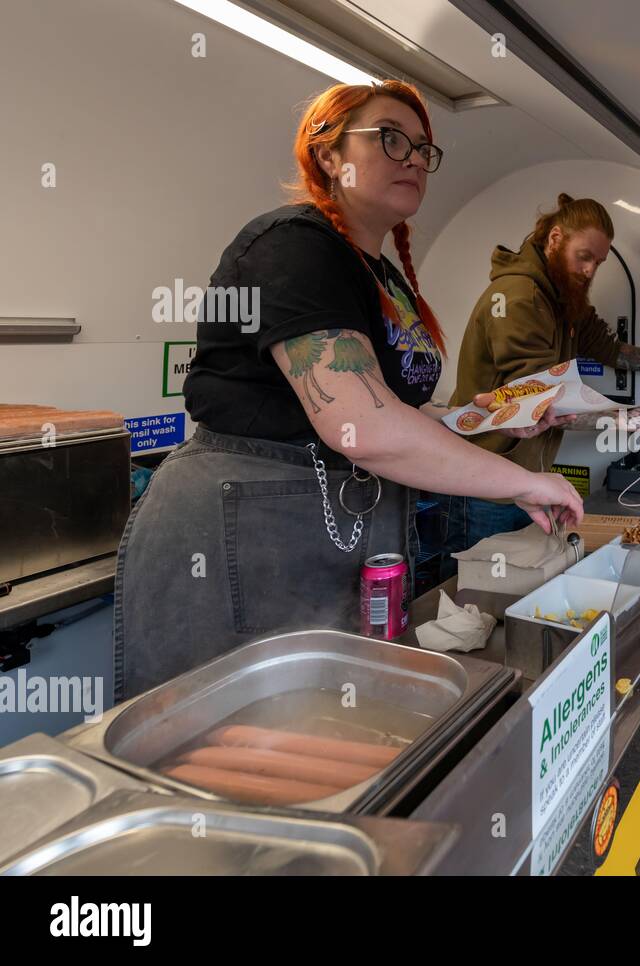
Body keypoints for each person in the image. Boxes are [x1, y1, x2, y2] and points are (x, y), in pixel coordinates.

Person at [114, 81, 582, 700]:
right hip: (242, 537)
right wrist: (523, 481)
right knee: (241, 749)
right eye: (391, 138)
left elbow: (394, 410)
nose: (414, 158)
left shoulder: (379, 272)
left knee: (329, 730)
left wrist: (479, 418)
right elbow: (360, 423)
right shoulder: (291, 246)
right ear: (329, 156)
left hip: (334, 528)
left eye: (423, 149)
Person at [431, 194, 640, 559]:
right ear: (555, 239)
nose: (591, 270)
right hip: (483, 487)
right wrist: (619, 417)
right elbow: (539, 404)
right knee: (473, 603)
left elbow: (609, 349)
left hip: (521, 480)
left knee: (509, 593)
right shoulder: (520, 298)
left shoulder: (564, 297)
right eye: (585, 256)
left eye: (598, 261)